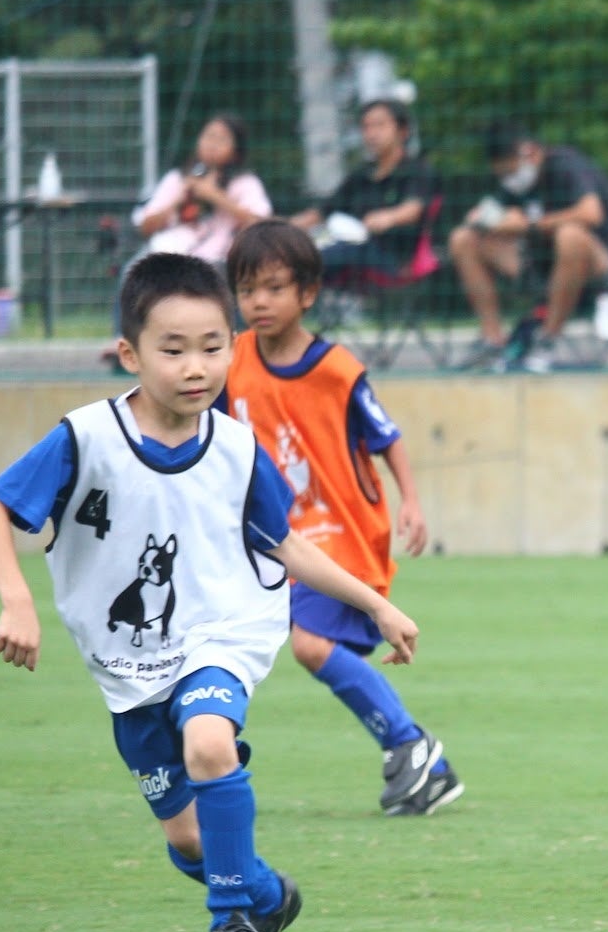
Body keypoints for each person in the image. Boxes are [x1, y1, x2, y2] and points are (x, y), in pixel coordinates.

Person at [0, 254, 419, 932]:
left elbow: (287, 544)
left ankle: (231, 923)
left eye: (213, 347)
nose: (196, 367)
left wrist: (376, 603)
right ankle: (266, 895)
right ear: (130, 354)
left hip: (223, 634)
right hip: (127, 663)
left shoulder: (237, 448)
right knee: (187, 839)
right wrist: (15, 599)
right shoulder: (86, 438)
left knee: (210, 742)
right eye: (173, 349)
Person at [222, 221, 462, 817]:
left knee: (310, 645)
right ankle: (417, 757)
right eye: (247, 290)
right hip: (276, 536)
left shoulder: (338, 369)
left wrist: (410, 501)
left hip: (342, 533)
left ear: (308, 293)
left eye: (274, 288)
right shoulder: (231, 359)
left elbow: (387, 437)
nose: (259, 302)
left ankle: (410, 744)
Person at [447, 120, 608, 368]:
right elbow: (478, 216)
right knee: (463, 239)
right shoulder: (514, 186)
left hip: (602, 268)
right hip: (543, 268)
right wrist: (489, 221)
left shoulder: (565, 164)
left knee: (570, 236)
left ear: (529, 152)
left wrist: (528, 224)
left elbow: (591, 213)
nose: (509, 180)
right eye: (502, 176)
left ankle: (546, 341)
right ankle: (492, 340)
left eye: (510, 173)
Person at [290, 100, 441, 284]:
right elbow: (322, 212)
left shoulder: (417, 169)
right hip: (351, 248)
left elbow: (413, 209)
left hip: (395, 258)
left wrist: (388, 218)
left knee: (319, 258)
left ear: (403, 131)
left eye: (380, 125)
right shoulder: (361, 175)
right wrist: (282, 228)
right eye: (366, 127)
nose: (371, 134)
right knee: (302, 254)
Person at [132, 115, 271, 266]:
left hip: (222, 263)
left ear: (236, 151)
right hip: (174, 261)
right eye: (209, 136)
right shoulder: (178, 179)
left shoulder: (245, 182)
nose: (212, 145)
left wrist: (214, 196)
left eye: (222, 139)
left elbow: (261, 225)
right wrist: (179, 200)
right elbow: (145, 228)